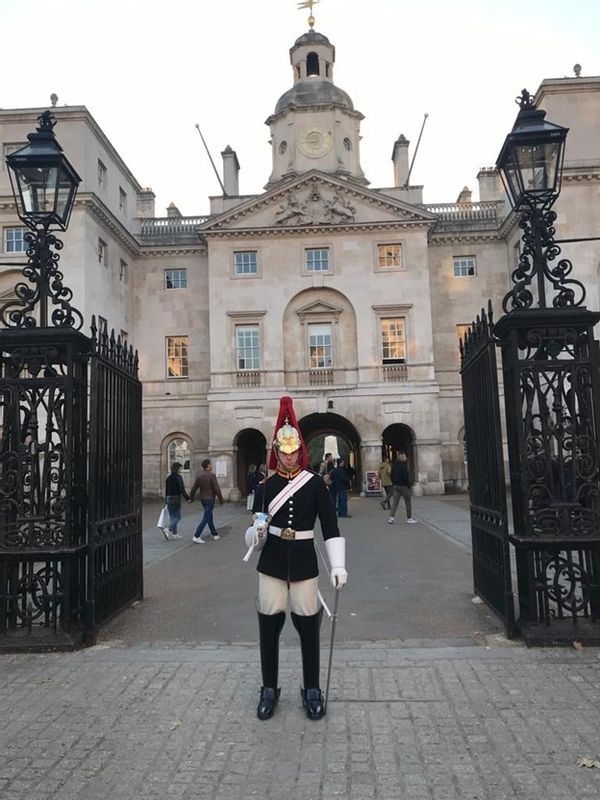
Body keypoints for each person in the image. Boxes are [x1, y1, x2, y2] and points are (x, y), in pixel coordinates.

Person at [252, 396, 348, 722]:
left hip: (305, 563)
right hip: (272, 563)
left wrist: (337, 564)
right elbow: (254, 530)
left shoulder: (315, 485)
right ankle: (269, 687)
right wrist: (257, 534)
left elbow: (331, 526)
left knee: (308, 628)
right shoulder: (266, 486)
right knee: (269, 625)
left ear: (300, 452)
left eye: (294, 452)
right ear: (276, 452)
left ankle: (311, 689)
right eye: (284, 452)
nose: (289, 457)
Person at [189, 459, 224, 542]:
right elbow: (216, 488)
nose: (211, 466)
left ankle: (214, 534)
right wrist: (220, 499)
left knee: (209, 516)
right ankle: (197, 535)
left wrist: (191, 498)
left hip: (203, 499)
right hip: (210, 498)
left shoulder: (199, 476)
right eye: (210, 464)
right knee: (206, 517)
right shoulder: (211, 475)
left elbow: (194, 488)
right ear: (208, 465)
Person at [388, 452, 417, 524]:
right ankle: (409, 518)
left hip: (395, 486)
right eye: (405, 456)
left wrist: (394, 483)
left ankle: (391, 518)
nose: (406, 458)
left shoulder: (393, 465)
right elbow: (406, 477)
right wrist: (408, 485)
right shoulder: (404, 465)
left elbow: (391, 475)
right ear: (402, 457)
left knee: (395, 503)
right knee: (408, 502)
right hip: (403, 486)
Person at [164, 462, 189, 540]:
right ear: (177, 468)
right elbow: (182, 489)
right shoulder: (178, 477)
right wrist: (187, 498)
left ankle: (175, 534)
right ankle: (168, 529)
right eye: (180, 468)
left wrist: (166, 499)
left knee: (172, 517)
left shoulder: (168, 478)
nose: (180, 470)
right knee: (178, 517)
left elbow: (166, 490)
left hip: (169, 498)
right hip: (176, 498)